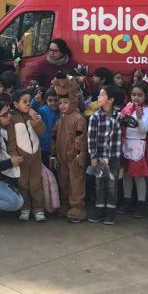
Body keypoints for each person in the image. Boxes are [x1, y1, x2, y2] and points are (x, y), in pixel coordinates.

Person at [118, 82, 148, 218]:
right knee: (126, 175)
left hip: (138, 145)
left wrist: (139, 118)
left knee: (138, 176)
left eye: (140, 95)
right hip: (126, 144)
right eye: (133, 94)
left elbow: (144, 129)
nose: (136, 98)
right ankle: (127, 202)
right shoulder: (127, 107)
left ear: (145, 96)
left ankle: (141, 204)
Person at [50, 93, 88, 223]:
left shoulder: (79, 119)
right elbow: (54, 138)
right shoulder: (59, 121)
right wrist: (53, 155)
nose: (62, 106)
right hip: (61, 157)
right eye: (60, 103)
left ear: (73, 102)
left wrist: (81, 153)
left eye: (65, 102)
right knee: (63, 181)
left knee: (76, 182)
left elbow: (80, 137)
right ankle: (66, 204)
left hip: (74, 158)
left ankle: (77, 207)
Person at [87, 85, 122, 225]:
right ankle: (99, 210)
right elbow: (91, 138)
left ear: (111, 99)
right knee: (100, 184)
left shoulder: (119, 115)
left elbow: (134, 123)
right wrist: (93, 156)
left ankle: (110, 213)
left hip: (114, 158)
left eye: (102, 95)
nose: (98, 97)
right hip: (100, 159)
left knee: (112, 185)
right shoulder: (95, 117)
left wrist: (125, 116)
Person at [11, 89, 46, 222]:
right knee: (23, 184)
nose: (27, 104)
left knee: (36, 183)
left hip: (36, 155)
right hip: (22, 158)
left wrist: (35, 118)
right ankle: (25, 208)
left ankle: (38, 208)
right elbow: (11, 139)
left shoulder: (34, 115)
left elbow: (42, 132)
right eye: (24, 102)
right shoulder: (12, 118)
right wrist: (14, 154)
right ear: (15, 104)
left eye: (29, 102)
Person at [32, 88, 60, 167]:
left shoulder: (63, 112)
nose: (53, 103)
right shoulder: (42, 111)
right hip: (44, 148)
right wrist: (35, 101)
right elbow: (31, 111)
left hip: (59, 149)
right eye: (50, 100)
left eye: (56, 100)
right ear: (46, 101)